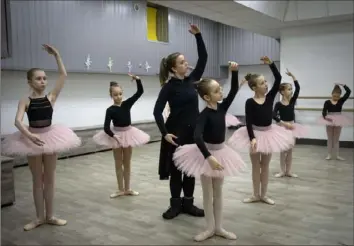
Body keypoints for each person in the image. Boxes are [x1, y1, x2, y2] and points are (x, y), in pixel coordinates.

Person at [1, 44, 81, 231]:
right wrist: (29, 135)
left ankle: (50, 215)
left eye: (45, 78)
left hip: (50, 137)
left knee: (50, 178)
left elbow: (63, 76)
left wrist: (57, 56)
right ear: (30, 82)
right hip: (31, 140)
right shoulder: (25, 100)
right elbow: (17, 121)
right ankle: (39, 217)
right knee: (37, 179)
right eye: (38, 79)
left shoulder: (51, 97)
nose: (43, 81)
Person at [173, 62, 247, 242]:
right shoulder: (204, 115)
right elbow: (197, 137)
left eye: (220, 89)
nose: (220, 92)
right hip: (205, 155)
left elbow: (234, 90)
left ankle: (219, 227)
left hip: (221, 152)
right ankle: (209, 228)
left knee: (218, 191)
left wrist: (235, 72)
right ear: (207, 97)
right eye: (216, 91)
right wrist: (209, 158)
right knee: (207, 192)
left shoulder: (222, 108)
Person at [153, 23, 207, 219]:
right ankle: (175, 206)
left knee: (190, 172)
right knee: (176, 172)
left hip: (192, 134)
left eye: (185, 61)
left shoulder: (192, 81)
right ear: (174, 68)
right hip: (175, 134)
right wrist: (164, 133)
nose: (187, 64)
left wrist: (198, 36)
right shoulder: (168, 87)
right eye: (182, 62)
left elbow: (203, 59)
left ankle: (189, 204)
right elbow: (157, 112)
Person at [228, 56, 294, 205]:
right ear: (254, 87)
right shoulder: (249, 102)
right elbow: (249, 121)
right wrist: (252, 138)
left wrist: (271, 64)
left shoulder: (270, 97)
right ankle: (255, 194)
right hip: (255, 136)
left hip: (269, 134)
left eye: (265, 82)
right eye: (262, 83)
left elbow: (278, 78)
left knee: (265, 166)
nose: (266, 85)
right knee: (255, 166)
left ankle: (264, 194)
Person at [93, 74, 150, 198]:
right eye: (115, 95)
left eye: (120, 94)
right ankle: (120, 189)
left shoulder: (127, 104)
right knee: (118, 163)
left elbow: (140, 92)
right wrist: (114, 136)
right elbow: (106, 127)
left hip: (129, 134)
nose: (118, 97)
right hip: (116, 137)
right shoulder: (110, 110)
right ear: (111, 96)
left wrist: (138, 80)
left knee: (127, 162)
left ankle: (128, 188)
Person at [273, 69, 307, 178]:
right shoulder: (278, 104)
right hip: (283, 127)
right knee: (283, 150)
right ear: (282, 92)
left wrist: (293, 76)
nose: (291, 91)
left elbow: (298, 89)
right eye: (289, 89)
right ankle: (282, 171)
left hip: (292, 126)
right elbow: (273, 115)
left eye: (291, 89)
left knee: (290, 150)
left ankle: (289, 171)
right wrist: (282, 123)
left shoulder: (292, 102)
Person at [317, 83, 352, 160]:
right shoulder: (327, 102)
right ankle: (329, 154)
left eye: (337, 96)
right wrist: (325, 117)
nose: (336, 98)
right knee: (330, 138)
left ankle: (337, 155)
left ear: (339, 96)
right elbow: (324, 111)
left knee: (336, 139)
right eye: (334, 96)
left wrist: (343, 85)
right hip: (329, 120)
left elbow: (349, 92)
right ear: (332, 94)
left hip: (338, 120)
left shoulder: (341, 101)